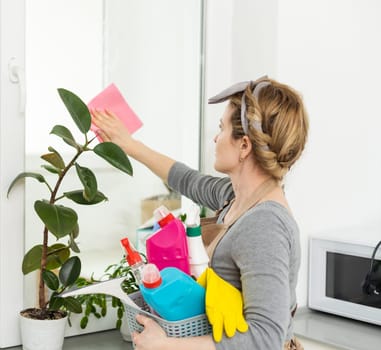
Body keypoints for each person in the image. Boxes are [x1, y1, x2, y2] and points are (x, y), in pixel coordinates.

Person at [91, 76, 309, 350]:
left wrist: (166, 344)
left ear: (244, 146)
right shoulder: (236, 195)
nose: (216, 138)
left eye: (222, 128)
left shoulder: (265, 225)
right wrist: (129, 145)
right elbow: (185, 179)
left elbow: (264, 339)